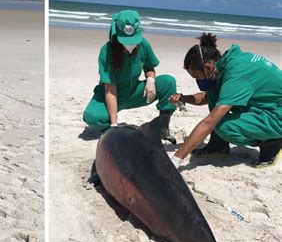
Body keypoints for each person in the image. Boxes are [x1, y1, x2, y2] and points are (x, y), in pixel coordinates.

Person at [168, 33, 282, 168]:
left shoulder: (237, 72)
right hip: (263, 105)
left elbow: (210, 122)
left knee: (223, 126)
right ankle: (218, 146)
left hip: (276, 114)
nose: (198, 81)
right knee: (215, 95)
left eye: (197, 77)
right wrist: (184, 98)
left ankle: (271, 141)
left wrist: (176, 159)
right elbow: (207, 97)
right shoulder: (224, 65)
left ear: (207, 67)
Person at [82, 9, 177, 143]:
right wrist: (114, 125)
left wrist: (150, 79)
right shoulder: (106, 51)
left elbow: (150, 68)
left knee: (168, 81)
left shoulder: (144, 44)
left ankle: (163, 129)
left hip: (134, 92)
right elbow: (110, 89)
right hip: (111, 94)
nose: (130, 45)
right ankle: (109, 126)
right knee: (92, 116)